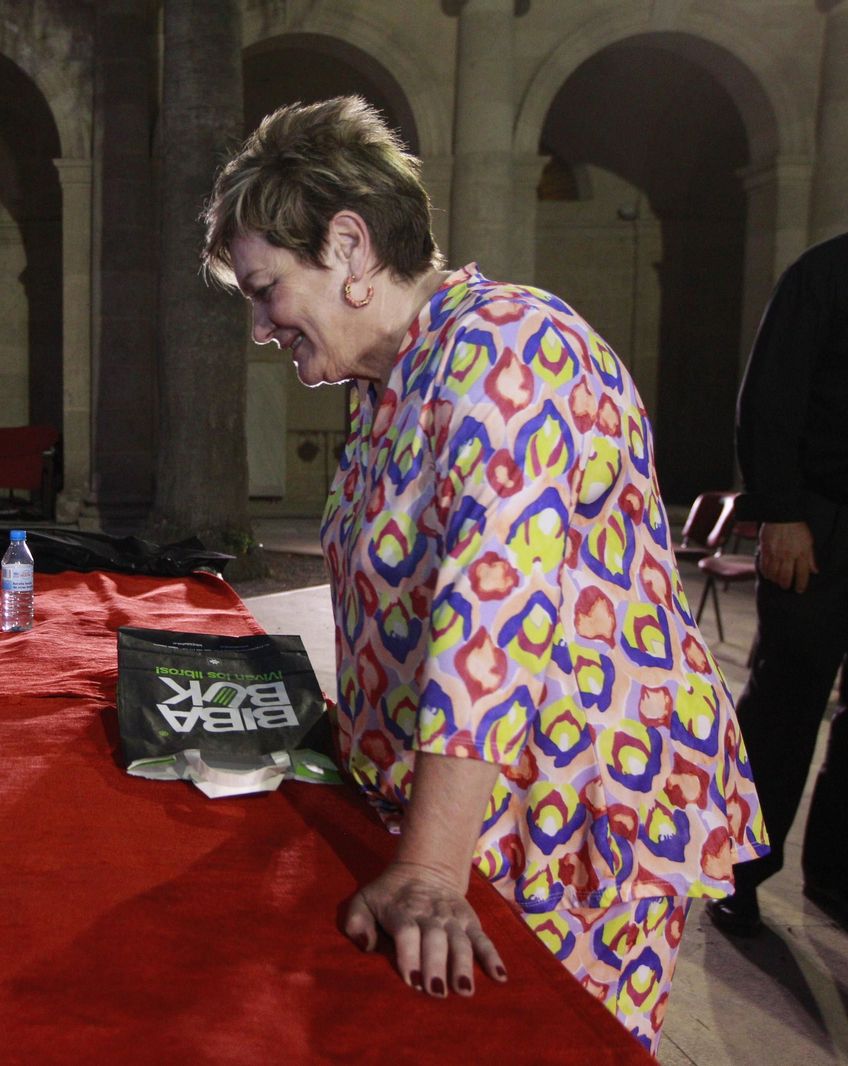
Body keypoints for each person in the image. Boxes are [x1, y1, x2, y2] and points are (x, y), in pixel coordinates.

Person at [201, 97, 767, 1054]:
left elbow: (492, 620)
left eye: (266, 289)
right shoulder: (388, 382)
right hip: (472, 806)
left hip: (570, 815)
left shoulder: (510, 347)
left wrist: (429, 870)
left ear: (349, 246)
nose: (260, 326)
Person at [711, 234, 848, 935]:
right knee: (785, 699)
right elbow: (770, 398)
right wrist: (781, 512)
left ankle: (837, 874)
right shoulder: (825, 273)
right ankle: (738, 871)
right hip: (821, 520)